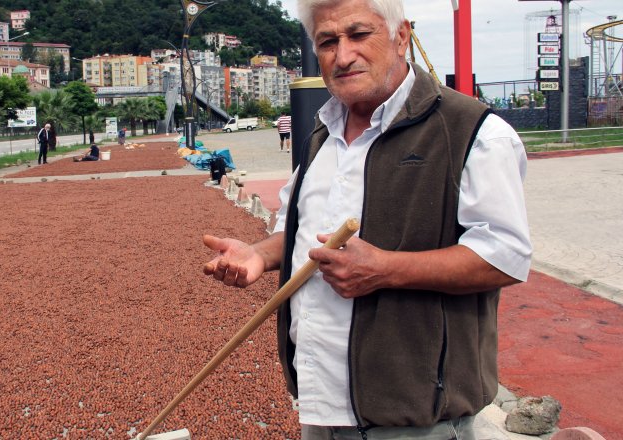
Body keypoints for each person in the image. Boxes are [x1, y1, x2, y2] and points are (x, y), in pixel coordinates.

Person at [201, 0, 532, 438]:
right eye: (327, 41)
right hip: (320, 405)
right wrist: (259, 255)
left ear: (401, 36)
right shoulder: (322, 134)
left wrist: (386, 270)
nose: (342, 55)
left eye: (359, 35)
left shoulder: (473, 132)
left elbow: (505, 255)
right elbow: (299, 230)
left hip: (415, 416)